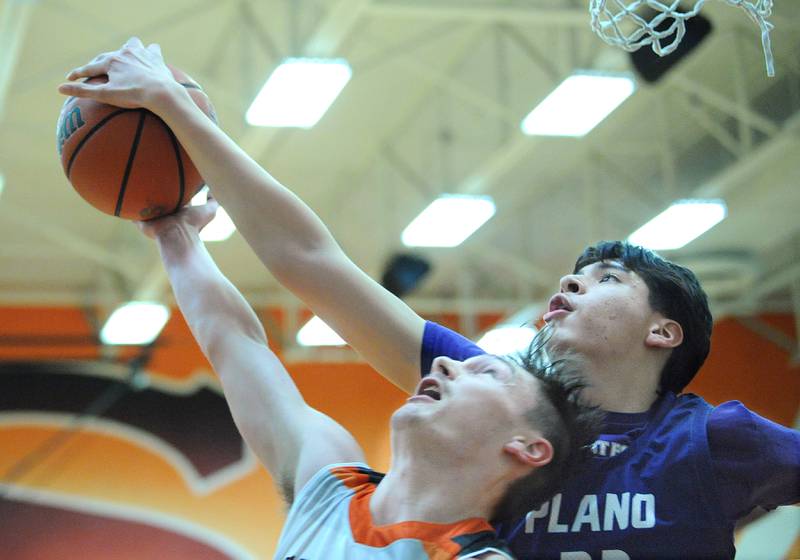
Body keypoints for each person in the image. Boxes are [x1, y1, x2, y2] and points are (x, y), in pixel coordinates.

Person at [60, 38, 799, 559]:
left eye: (607, 279)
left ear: (666, 332)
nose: (444, 371)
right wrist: (177, 216)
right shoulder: (487, 393)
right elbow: (308, 269)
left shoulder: (709, 441)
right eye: (572, 274)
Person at [133, 197, 600, 559]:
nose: (443, 363)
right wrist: (176, 235)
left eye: (486, 371)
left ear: (527, 447)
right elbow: (237, 345)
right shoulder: (329, 489)